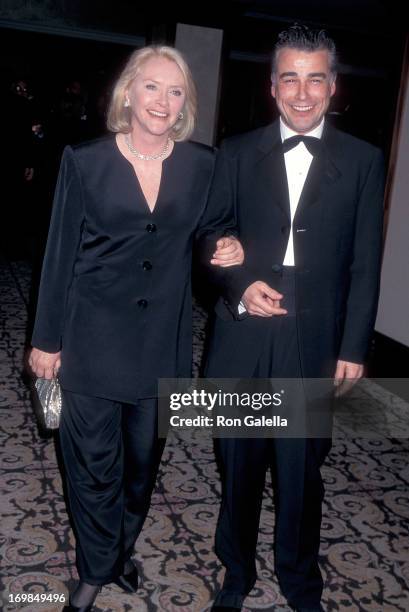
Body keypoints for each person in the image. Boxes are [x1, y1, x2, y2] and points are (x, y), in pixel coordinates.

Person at [28, 45, 243, 612]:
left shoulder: (204, 164)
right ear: (129, 92)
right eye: (152, 87)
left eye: (175, 91)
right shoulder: (85, 160)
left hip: (159, 347)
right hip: (92, 338)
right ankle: (96, 568)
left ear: (185, 104)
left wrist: (224, 246)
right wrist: (46, 340)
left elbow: (211, 229)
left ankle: (119, 550)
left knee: (141, 471)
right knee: (91, 465)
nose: (162, 100)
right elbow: (58, 255)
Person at [204, 25, 385, 612]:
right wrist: (237, 279)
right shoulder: (234, 151)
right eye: (290, 77)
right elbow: (209, 232)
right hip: (243, 329)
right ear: (272, 85)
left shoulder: (363, 160)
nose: (302, 93)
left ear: (333, 86)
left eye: (315, 78)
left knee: (302, 467)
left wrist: (354, 345)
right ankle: (236, 571)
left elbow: (364, 263)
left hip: (313, 337)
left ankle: (300, 579)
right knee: (238, 459)